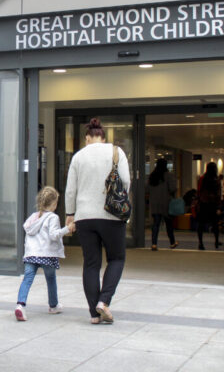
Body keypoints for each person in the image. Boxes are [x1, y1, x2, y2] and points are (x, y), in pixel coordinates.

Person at [65, 118, 130, 324]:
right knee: (117, 258)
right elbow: (126, 181)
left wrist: (70, 213)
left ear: (88, 137)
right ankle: (104, 301)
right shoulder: (116, 152)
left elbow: (71, 189)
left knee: (91, 264)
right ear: (103, 137)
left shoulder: (78, 156)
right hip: (111, 215)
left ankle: (94, 315)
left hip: (85, 217)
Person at [15, 186, 74, 321]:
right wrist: (67, 229)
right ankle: (53, 306)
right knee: (51, 279)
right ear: (53, 204)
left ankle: (20, 305)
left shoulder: (33, 217)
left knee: (27, 279)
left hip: (31, 254)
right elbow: (54, 236)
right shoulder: (53, 218)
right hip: (46, 254)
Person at [146, 158, 178, 250]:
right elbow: (173, 188)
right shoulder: (168, 175)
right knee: (169, 224)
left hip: (155, 203)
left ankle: (154, 244)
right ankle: (172, 242)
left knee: (155, 224)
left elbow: (147, 189)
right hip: (166, 203)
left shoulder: (152, 176)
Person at [197, 162, 222, 250]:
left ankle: (201, 243)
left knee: (201, 224)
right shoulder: (217, 179)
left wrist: (199, 200)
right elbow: (219, 194)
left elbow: (199, 190)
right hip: (213, 204)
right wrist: (219, 207)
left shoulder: (202, 178)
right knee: (215, 224)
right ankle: (216, 241)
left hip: (204, 203)